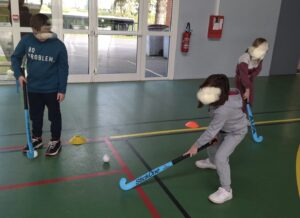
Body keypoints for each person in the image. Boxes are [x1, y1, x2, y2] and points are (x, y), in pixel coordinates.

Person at [184, 74, 248, 204]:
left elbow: (211, 130)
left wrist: (195, 146)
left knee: (221, 157)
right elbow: (237, 91)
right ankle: (212, 163)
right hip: (223, 128)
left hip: (236, 132)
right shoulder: (229, 92)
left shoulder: (223, 110)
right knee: (211, 144)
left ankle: (226, 190)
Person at [11, 13, 69, 156]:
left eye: (45, 31)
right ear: (33, 30)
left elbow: (63, 69)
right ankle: (37, 138)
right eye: (39, 32)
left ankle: (55, 140)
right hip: (33, 88)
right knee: (35, 115)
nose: (43, 35)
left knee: (54, 116)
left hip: (52, 89)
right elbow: (15, 57)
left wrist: (62, 90)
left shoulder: (58, 46)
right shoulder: (26, 41)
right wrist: (18, 75)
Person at [235, 37, 269, 111]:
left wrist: (251, 76)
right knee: (242, 100)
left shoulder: (260, 57)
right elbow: (243, 76)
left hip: (249, 80)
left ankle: (246, 117)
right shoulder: (244, 58)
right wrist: (247, 89)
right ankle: (239, 117)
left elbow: (258, 69)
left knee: (249, 100)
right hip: (241, 80)